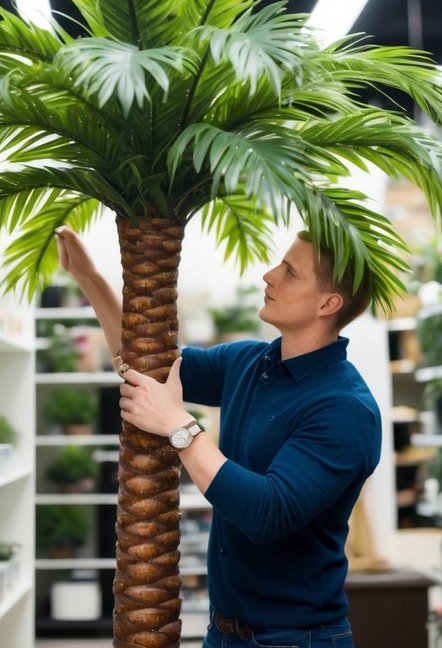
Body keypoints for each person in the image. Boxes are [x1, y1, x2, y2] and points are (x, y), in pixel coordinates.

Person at [55, 227, 382, 648]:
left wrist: (181, 427)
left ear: (329, 303)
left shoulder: (345, 409)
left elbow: (267, 513)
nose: (269, 275)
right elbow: (147, 364)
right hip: (223, 633)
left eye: (289, 271)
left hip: (297, 639)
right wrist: (89, 278)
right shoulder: (248, 362)